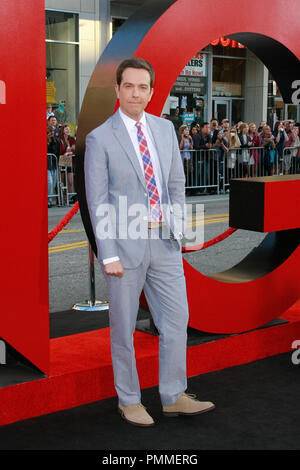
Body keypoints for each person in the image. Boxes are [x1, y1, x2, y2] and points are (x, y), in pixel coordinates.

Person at [84, 57, 215, 427]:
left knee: (176, 322)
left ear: (152, 91)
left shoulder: (164, 129)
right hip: (123, 249)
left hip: (164, 244)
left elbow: (175, 184)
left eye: (143, 87)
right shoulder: (100, 137)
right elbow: (97, 201)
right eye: (129, 86)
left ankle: (173, 396)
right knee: (123, 328)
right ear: (117, 89)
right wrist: (107, 252)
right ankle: (129, 399)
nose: (136, 93)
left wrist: (179, 230)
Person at [58, 124, 76, 203]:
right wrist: (67, 152)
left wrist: (69, 152)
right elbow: (60, 151)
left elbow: (75, 149)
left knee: (70, 181)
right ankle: (62, 198)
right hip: (62, 160)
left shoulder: (72, 139)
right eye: (66, 129)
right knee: (62, 181)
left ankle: (69, 198)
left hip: (70, 161)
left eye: (69, 129)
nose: (68, 131)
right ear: (63, 131)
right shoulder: (59, 139)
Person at [47, 126, 60, 207]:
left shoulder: (56, 141)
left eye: (53, 131)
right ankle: (49, 201)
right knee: (50, 182)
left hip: (54, 164)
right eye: (50, 131)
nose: (52, 133)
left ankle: (50, 199)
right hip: (47, 165)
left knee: (54, 183)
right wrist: (48, 142)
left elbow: (58, 152)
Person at [179, 124, 193, 190]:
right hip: (182, 156)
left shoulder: (189, 137)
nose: (187, 131)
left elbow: (191, 148)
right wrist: (182, 139)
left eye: (188, 130)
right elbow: (180, 147)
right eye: (186, 130)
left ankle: (187, 188)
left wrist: (190, 140)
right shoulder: (181, 137)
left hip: (188, 156)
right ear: (182, 131)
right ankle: (182, 187)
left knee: (188, 172)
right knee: (183, 173)